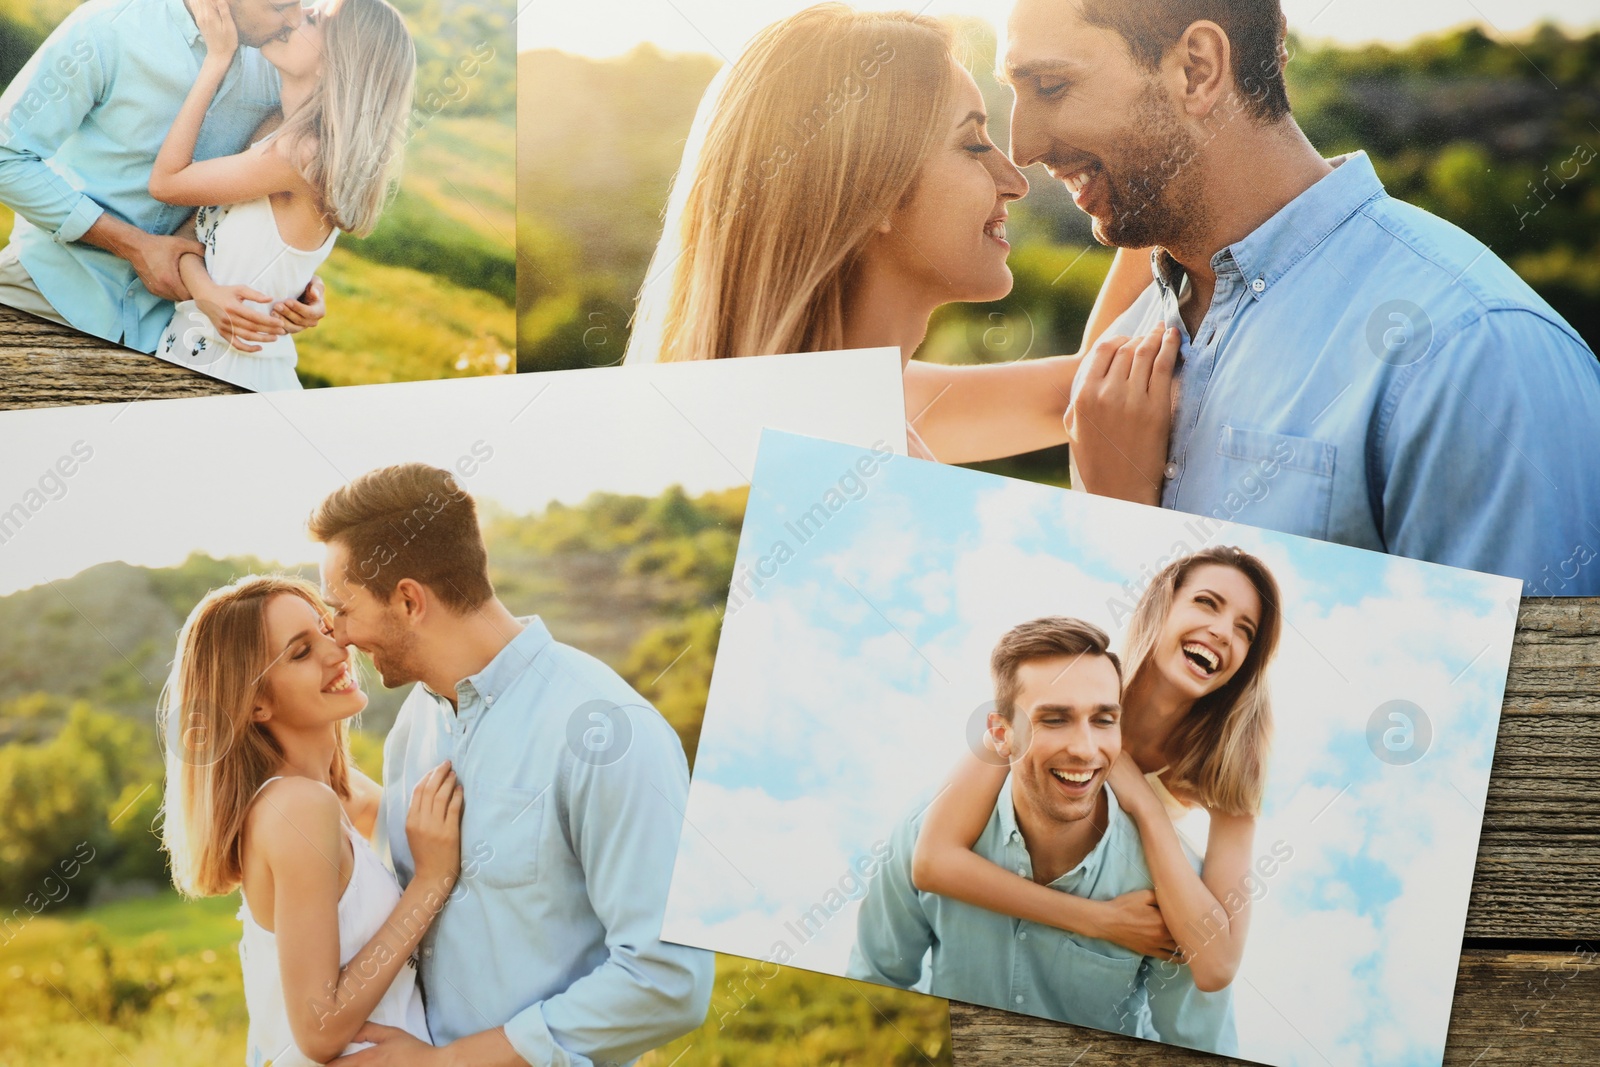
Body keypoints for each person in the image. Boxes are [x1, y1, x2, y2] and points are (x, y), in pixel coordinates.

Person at [1001, 0, 1600, 591]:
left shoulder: (1477, 348)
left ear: (1198, 68)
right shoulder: (1121, 347)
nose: (1021, 147)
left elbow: (1527, 684)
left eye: (1051, 87)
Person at [625, 3, 1175, 496]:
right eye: (973, 145)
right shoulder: (827, 465)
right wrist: (1120, 500)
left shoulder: (839, 403)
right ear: (872, 192)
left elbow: (1081, 390)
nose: (1014, 180)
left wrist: (1158, 173)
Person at [307, 463, 715, 1067]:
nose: (335, 635)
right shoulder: (410, 729)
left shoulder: (607, 732)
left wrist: (445, 1063)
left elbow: (668, 981)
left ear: (409, 600)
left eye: (341, 609)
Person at [912, 546, 1283, 1055]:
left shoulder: (1230, 767)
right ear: (1161, 606)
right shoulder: (1070, 679)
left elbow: (1216, 966)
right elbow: (932, 861)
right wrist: (1099, 921)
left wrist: (1147, 809)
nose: (1224, 631)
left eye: (1245, 629)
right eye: (1207, 603)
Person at [160, 575, 458, 1065]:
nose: (337, 649)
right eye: (300, 652)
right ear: (256, 703)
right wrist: (431, 881)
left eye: (325, 628)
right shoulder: (297, 808)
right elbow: (319, 1030)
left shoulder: (339, 795)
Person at [848, 616, 1162, 1039]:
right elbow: (874, 985)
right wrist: (1098, 921)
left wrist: (1148, 808)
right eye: (1054, 719)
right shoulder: (925, 824)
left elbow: (1199, 1029)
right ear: (999, 733)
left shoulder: (1160, 874)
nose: (1085, 748)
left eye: (1104, 720)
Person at [0, 0, 327, 353]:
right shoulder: (108, 27)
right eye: (280, 6)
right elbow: (7, 157)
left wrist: (294, 280)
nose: (294, 19)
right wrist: (135, 247)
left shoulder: (275, 62)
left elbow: (271, 190)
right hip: (46, 296)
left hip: (169, 335)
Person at [148, 0, 415, 389]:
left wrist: (217, 60)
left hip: (233, 372)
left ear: (337, 61)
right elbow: (191, 238)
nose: (297, 13)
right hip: (190, 354)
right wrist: (206, 291)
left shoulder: (299, 154)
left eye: (315, 19)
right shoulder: (276, 131)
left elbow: (166, 183)